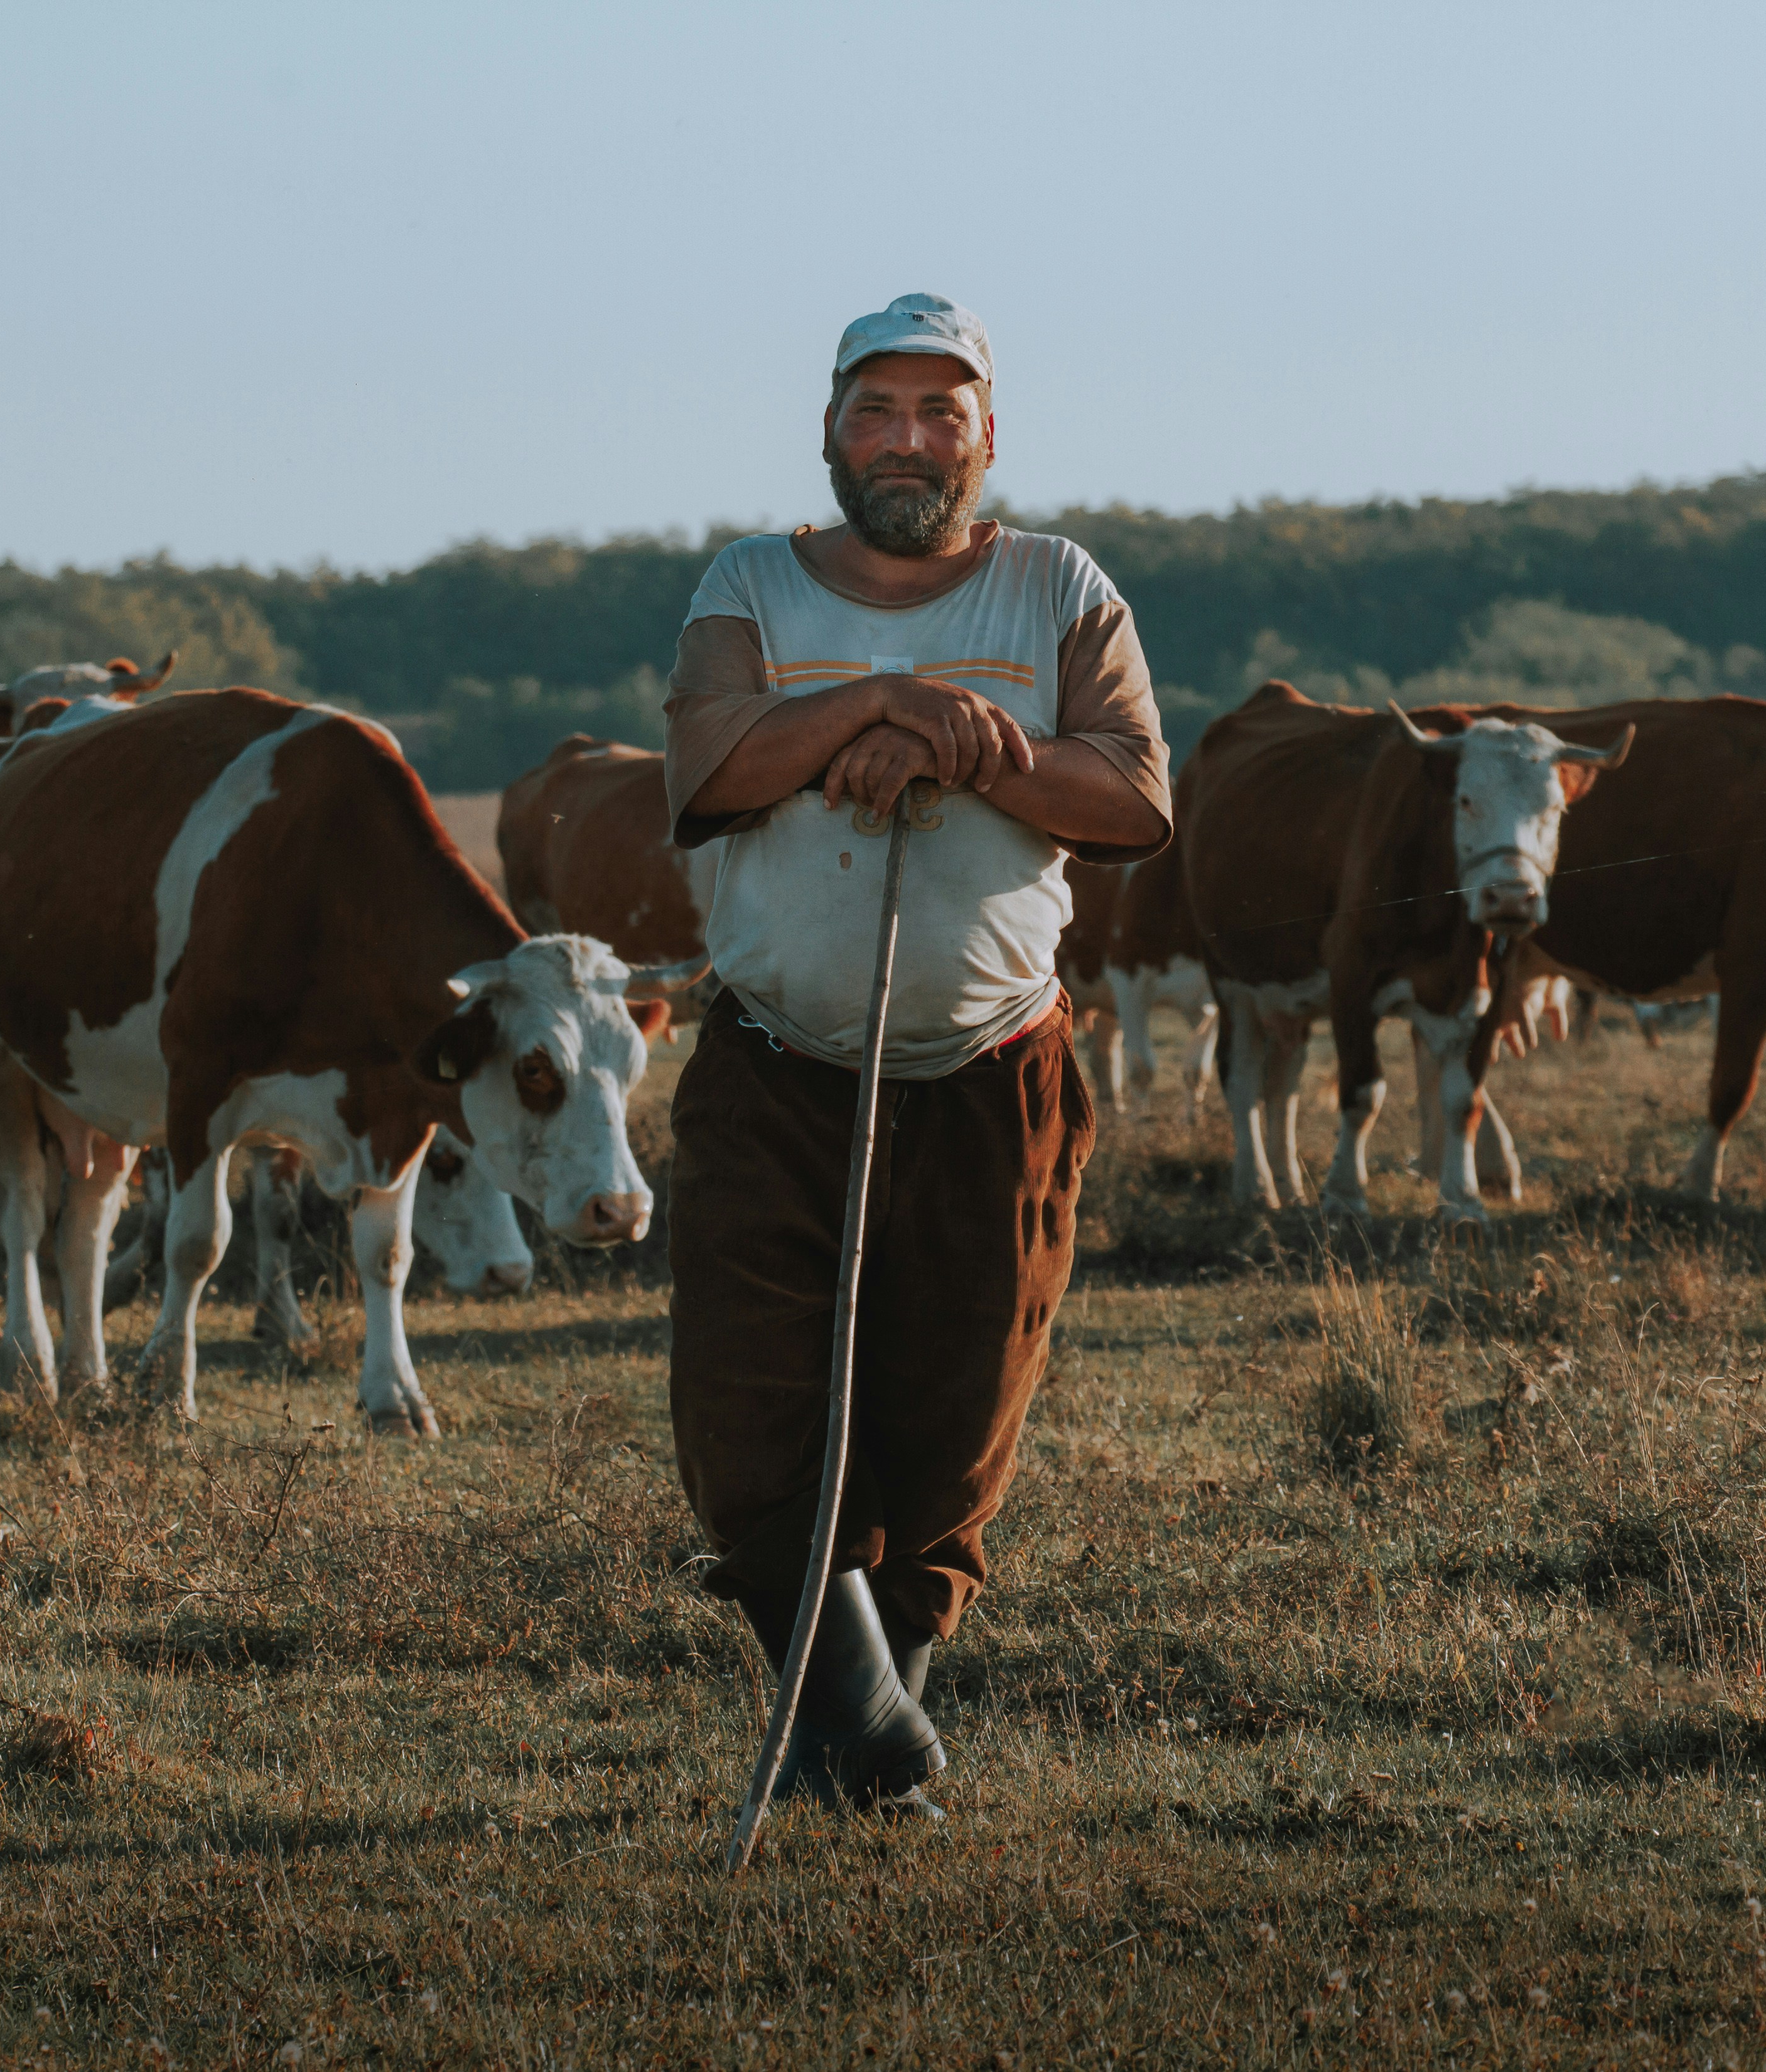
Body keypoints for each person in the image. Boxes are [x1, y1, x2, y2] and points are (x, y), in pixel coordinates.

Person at [661, 293, 1170, 1813]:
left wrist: (972, 744)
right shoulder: (751, 587)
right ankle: (875, 1737)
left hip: (993, 1073)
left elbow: (1135, 796)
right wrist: (881, 702)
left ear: (985, 435)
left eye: (940, 414)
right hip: (779, 1066)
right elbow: (710, 769)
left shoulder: (1057, 587)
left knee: (951, 1427)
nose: (907, 440)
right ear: (829, 431)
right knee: (750, 1421)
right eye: (876, 411)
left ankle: (854, 1755)